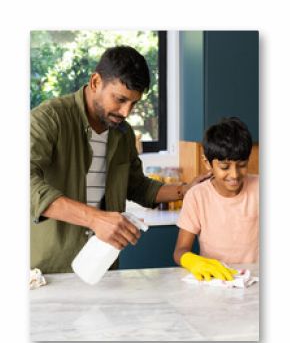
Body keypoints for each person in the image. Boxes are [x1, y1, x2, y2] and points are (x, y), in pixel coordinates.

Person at [30, 45, 232, 277]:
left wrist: (186, 190)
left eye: (133, 103)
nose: (126, 112)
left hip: (102, 270)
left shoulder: (122, 133)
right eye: (120, 99)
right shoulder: (49, 119)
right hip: (47, 271)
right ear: (96, 82)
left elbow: (137, 186)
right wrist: (95, 219)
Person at [174, 117, 259, 281]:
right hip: (214, 280)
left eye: (242, 165)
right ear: (207, 163)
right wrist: (192, 261)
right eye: (225, 167)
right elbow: (180, 251)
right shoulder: (197, 196)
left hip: (255, 279)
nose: (234, 175)